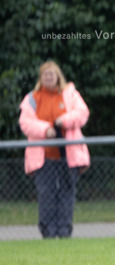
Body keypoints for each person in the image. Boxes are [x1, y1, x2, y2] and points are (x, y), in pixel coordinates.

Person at [19, 60, 91, 239]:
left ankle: (64, 232)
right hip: (43, 158)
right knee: (46, 195)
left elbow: (82, 113)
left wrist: (64, 121)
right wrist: (45, 130)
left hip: (68, 156)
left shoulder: (71, 95)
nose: (49, 77)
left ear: (58, 76)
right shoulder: (32, 99)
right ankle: (48, 233)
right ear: (41, 78)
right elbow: (25, 123)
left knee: (67, 193)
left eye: (52, 74)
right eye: (46, 75)